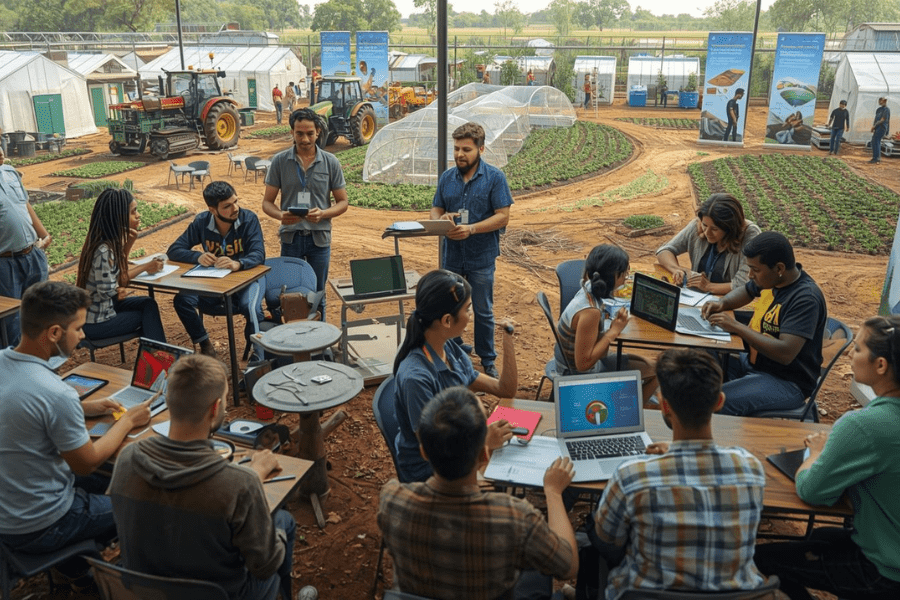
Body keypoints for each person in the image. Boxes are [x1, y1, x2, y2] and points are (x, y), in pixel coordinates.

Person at [108, 354, 317, 600]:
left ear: (170, 399)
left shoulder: (128, 459)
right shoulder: (240, 485)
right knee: (283, 521)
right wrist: (253, 484)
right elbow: (265, 566)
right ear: (215, 407)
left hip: (147, 591)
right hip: (224, 594)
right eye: (226, 400)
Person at [0, 281, 151, 584]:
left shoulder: (4, 360)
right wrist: (127, 422)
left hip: (7, 512)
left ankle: (76, 565)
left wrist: (86, 407)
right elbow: (86, 462)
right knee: (147, 506)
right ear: (54, 333)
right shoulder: (56, 394)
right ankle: (108, 578)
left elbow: (24, 406)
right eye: (79, 328)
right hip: (42, 524)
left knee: (107, 479)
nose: (83, 336)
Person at [587, 348, 767, 600]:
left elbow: (608, 538)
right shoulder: (750, 468)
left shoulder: (632, 475)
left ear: (664, 406)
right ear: (719, 402)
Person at [378, 386, 577, 600]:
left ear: (424, 452)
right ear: (484, 453)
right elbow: (568, 567)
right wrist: (553, 492)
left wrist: (478, 466)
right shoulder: (515, 518)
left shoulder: (392, 500)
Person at [754, 315, 900, 600]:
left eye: (857, 349)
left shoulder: (864, 425)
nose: (849, 352)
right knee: (823, 538)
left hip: (883, 571)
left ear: (880, 365)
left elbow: (812, 490)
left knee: (761, 560)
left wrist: (816, 453)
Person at [392, 269, 516, 483]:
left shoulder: (449, 350)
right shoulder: (416, 378)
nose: (471, 316)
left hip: (459, 450)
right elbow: (433, 450)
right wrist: (483, 441)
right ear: (447, 320)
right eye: (468, 309)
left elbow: (504, 389)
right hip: (430, 471)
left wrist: (508, 339)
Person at [701, 231, 827, 416]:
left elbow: (785, 352)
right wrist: (723, 303)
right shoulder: (773, 279)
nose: (750, 275)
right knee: (698, 360)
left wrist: (736, 327)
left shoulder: (805, 299)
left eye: (755, 270)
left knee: (714, 403)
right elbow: (747, 291)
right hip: (756, 365)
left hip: (786, 382)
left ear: (779, 268)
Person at [431, 122, 513, 378]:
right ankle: (453, 350)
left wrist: (472, 229)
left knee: (483, 309)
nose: (459, 154)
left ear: (481, 149)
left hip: (481, 256)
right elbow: (436, 208)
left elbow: (503, 216)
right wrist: (441, 219)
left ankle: (487, 360)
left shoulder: (495, 178)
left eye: (466, 149)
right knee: (452, 307)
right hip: (452, 256)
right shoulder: (447, 178)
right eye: (456, 149)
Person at [262, 108, 347, 320]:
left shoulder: (330, 162)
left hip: (319, 239)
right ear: (292, 132)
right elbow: (267, 203)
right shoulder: (280, 161)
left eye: (310, 133)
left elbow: (343, 202)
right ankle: (294, 344)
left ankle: (320, 344)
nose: (305, 138)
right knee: (291, 295)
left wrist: (324, 213)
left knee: (318, 295)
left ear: (318, 132)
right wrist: (281, 215)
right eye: (299, 133)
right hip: (291, 238)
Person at [168, 181, 265, 359]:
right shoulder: (201, 222)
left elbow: (259, 254)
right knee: (182, 300)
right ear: (213, 210)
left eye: (236, 201)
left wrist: (239, 263)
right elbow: (174, 250)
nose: (235, 208)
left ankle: (256, 353)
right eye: (227, 206)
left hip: (245, 281)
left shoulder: (248, 219)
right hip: (212, 284)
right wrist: (197, 257)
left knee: (251, 307)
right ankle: (205, 345)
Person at [555, 245, 656, 402]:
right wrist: (613, 331)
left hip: (575, 362)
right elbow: (583, 364)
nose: (625, 278)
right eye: (624, 274)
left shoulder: (588, 286)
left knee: (653, 365)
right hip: (579, 375)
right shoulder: (590, 313)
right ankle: (627, 415)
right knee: (658, 372)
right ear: (612, 277)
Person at [76, 187, 167, 345]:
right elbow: (113, 289)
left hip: (107, 309)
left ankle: (156, 358)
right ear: (118, 217)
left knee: (148, 304)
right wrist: (146, 267)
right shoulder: (103, 250)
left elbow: (120, 278)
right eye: (133, 211)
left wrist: (128, 245)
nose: (138, 215)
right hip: (96, 323)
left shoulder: (106, 243)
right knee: (147, 315)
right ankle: (159, 360)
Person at [656, 193, 761, 294]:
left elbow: (745, 282)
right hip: (697, 298)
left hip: (732, 302)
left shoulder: (750, 235)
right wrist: (678, 270)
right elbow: (664, 251)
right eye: (704, 225)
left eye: (715, 229)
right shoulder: (698, 224)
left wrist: (708, 286)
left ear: (730, 228)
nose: (707, 232)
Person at [0, 145, 50, 346]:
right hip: (5, 264)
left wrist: (44, 234)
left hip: (32, 255)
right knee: (11, 325)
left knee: (41, 314)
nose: (0, 150)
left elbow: (25, 204)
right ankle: (14, 372)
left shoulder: (10, 173)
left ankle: (42, 367)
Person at [869, 96, 890, 164]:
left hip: (882, 127)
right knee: (874, 141)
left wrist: (874, 126)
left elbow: (883, 120)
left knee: (877, 141)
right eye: (880, 100)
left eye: (882, 100)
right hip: (877, 127)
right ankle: (875, 157)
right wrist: (873, 127)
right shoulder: (879, 109)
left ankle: (877, 158)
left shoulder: (886, 110)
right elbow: (876, 119)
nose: (880, 102)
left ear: (885, 101)